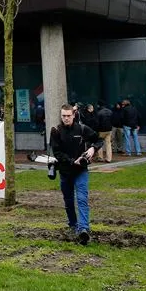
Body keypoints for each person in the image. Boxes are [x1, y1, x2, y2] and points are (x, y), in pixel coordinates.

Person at [49, 104, 103, 245]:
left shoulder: (82, 129)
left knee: (82, 199)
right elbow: (57, 153)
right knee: (68, 200)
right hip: (66, 171)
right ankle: (73, 225)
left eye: (68, 116)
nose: (66, 118)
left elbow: (99, 139)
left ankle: (83, 229)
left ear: (73, 115)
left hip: (81, 171)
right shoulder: (56, 131)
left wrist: (92, 149)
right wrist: (73, 161)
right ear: (61, 116)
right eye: (63, 116)